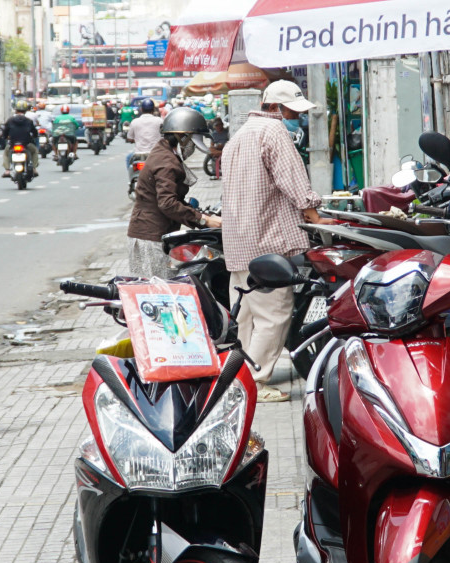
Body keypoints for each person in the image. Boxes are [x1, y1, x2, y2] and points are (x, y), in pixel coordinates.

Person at [221, 79, 321, 383]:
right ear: (276, 108)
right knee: (274, 313)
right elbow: (293, 182)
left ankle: (235, 378)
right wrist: (315, 216)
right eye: (293, 111)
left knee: (245, 317)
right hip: (266, 242)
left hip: (238, 241)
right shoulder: (274, 132)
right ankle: (255, 381)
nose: (297, 118)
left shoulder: (239, 135)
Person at [127, 106, 219, 277]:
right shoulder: (166, 161)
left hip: (155, 232)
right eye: (192, 140)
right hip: (150, 236)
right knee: (158, 291)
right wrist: (204, 220)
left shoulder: (165, 151)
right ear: (182, 137)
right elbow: (167, 203)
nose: (192, 146)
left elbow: (174, 199)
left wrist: (202, 219)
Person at [1, 101, 40, 176]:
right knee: (35, 150)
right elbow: (34, 132)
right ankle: (34, 169)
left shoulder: (10, 120)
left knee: (6, 153)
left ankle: (7, 170)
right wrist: (35, 136)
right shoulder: (29, 121)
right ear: (26, 110)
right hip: (26, 144)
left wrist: (5, 137)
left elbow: (5, 131)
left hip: (12, 144)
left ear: (16, 110)